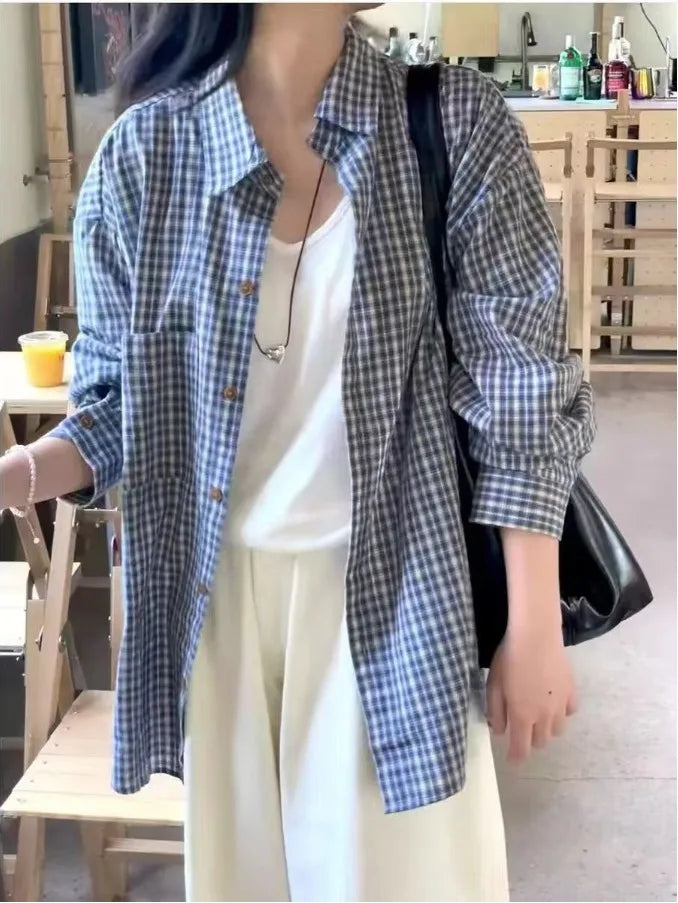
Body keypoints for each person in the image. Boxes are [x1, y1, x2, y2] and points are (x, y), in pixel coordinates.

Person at [0, 4, 595, 901]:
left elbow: (522, 388)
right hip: (214, 611)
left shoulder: (452, 125)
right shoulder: (144, 159)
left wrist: (535, 622)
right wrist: (23, 471)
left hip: (398, 592)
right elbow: (120, 410)